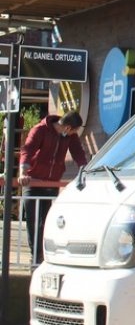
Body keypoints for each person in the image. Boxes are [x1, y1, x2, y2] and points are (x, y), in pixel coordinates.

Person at [17, 112, 88, 264]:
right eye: (74, 131)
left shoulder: (70, 136)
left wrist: (85, 170)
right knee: (33, 222)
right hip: (33, 181)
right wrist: (23, 172)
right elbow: (27, 150)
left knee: (46, 222)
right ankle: (35, 257)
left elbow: (78, 153)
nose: (74, 134)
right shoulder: (40, 130)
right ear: (68, 127)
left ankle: (43, 257)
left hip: (51, 183)